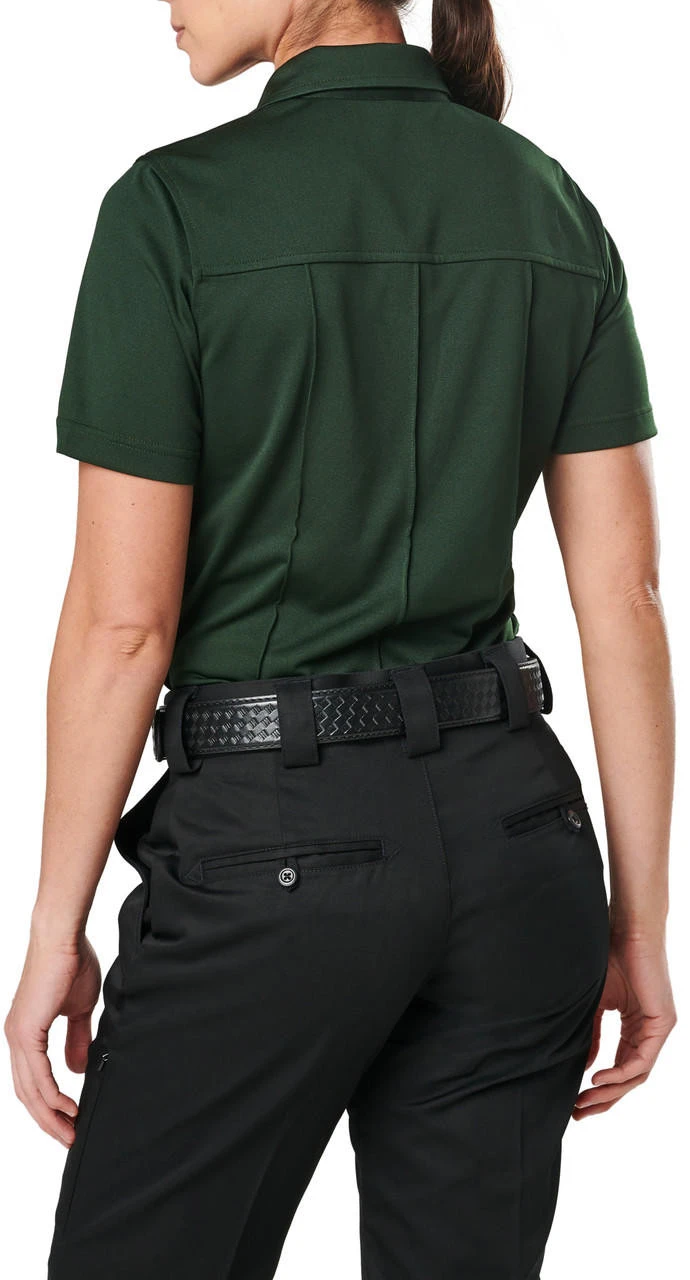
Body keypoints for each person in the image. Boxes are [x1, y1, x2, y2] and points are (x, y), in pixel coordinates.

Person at [4, 1, 677, 1277]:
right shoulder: (549, 204)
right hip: (520, 851)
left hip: (274, 847)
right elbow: (627, 597)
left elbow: (124, 622)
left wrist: (54, 929)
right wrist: (639, 925)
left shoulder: (172, 211)